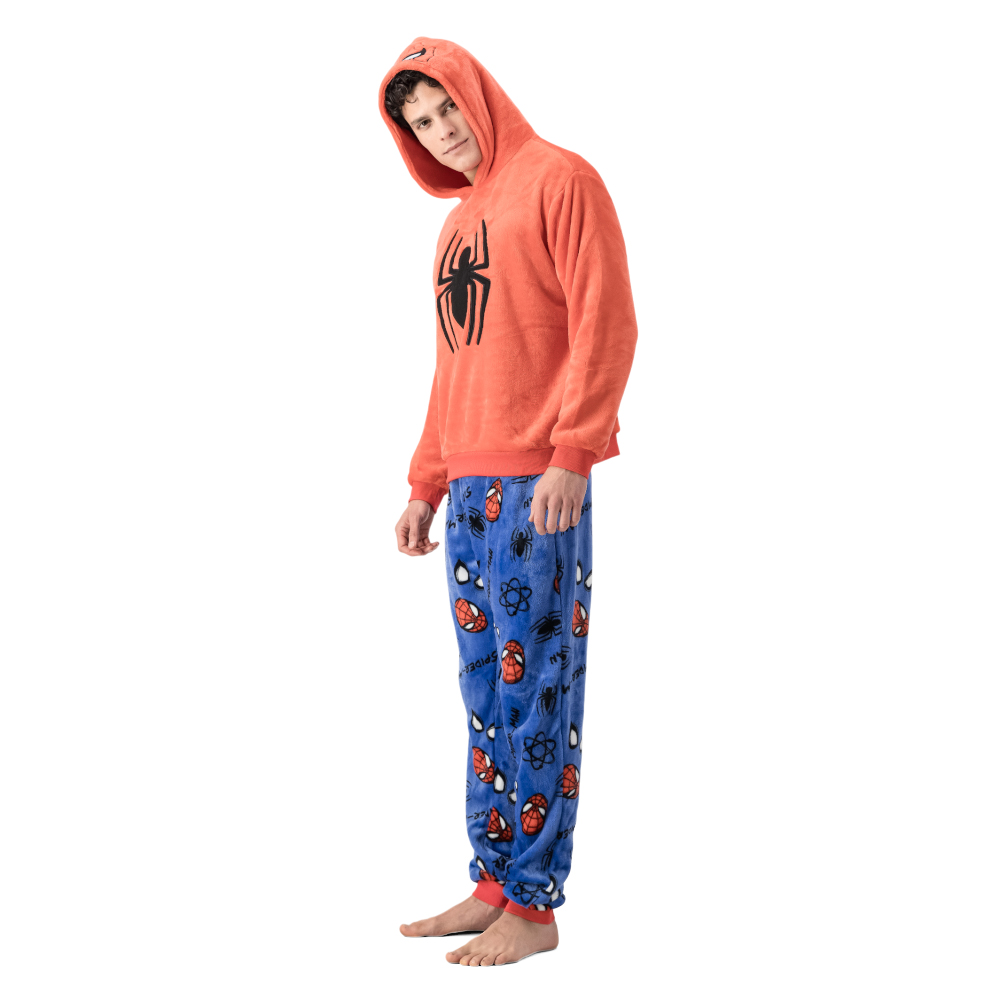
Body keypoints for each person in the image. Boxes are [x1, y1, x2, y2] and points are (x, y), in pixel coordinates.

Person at [379, 37, 638, 966]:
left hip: (539, 483)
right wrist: (426, 481)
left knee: (540, 691)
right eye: (422, 123)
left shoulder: (560, 179)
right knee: (487, 690)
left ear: (478, 95)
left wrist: (575, 451)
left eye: (448, 107)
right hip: (469, 489)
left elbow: (607, 319)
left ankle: (534, 904)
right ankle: (493, 881)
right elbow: (453, 364)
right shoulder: (455, 227)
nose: (442, 131)